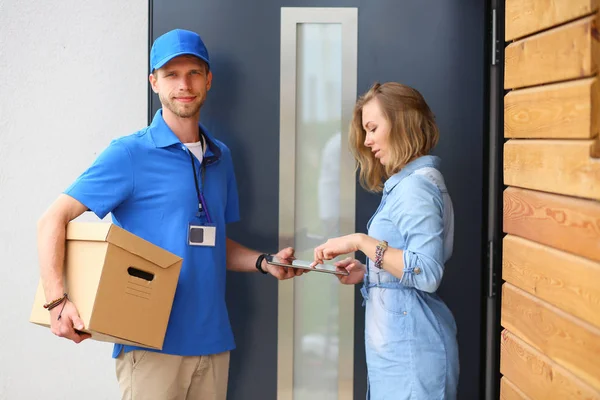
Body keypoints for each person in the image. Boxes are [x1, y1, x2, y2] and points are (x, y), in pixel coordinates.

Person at [36, 29, 302, 400]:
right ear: (154, 82)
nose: (184, 84)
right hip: (149, 343)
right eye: (171, 75)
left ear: (208, 80)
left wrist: (263, 261)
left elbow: (211, 243)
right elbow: (53, 219)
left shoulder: (221, 157)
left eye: (193, 73)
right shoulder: (129, 154)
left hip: (213, 342)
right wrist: (56, 302)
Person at [312, 82, 459, 399]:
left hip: (412, 355)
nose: (367, 141)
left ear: (402, 122)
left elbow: (427, 272)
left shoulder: (415, 188)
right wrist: (370, 273)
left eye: (373, 128)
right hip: (400, 352)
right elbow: (407, 261)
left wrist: (361, 242)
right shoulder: (407, 184)